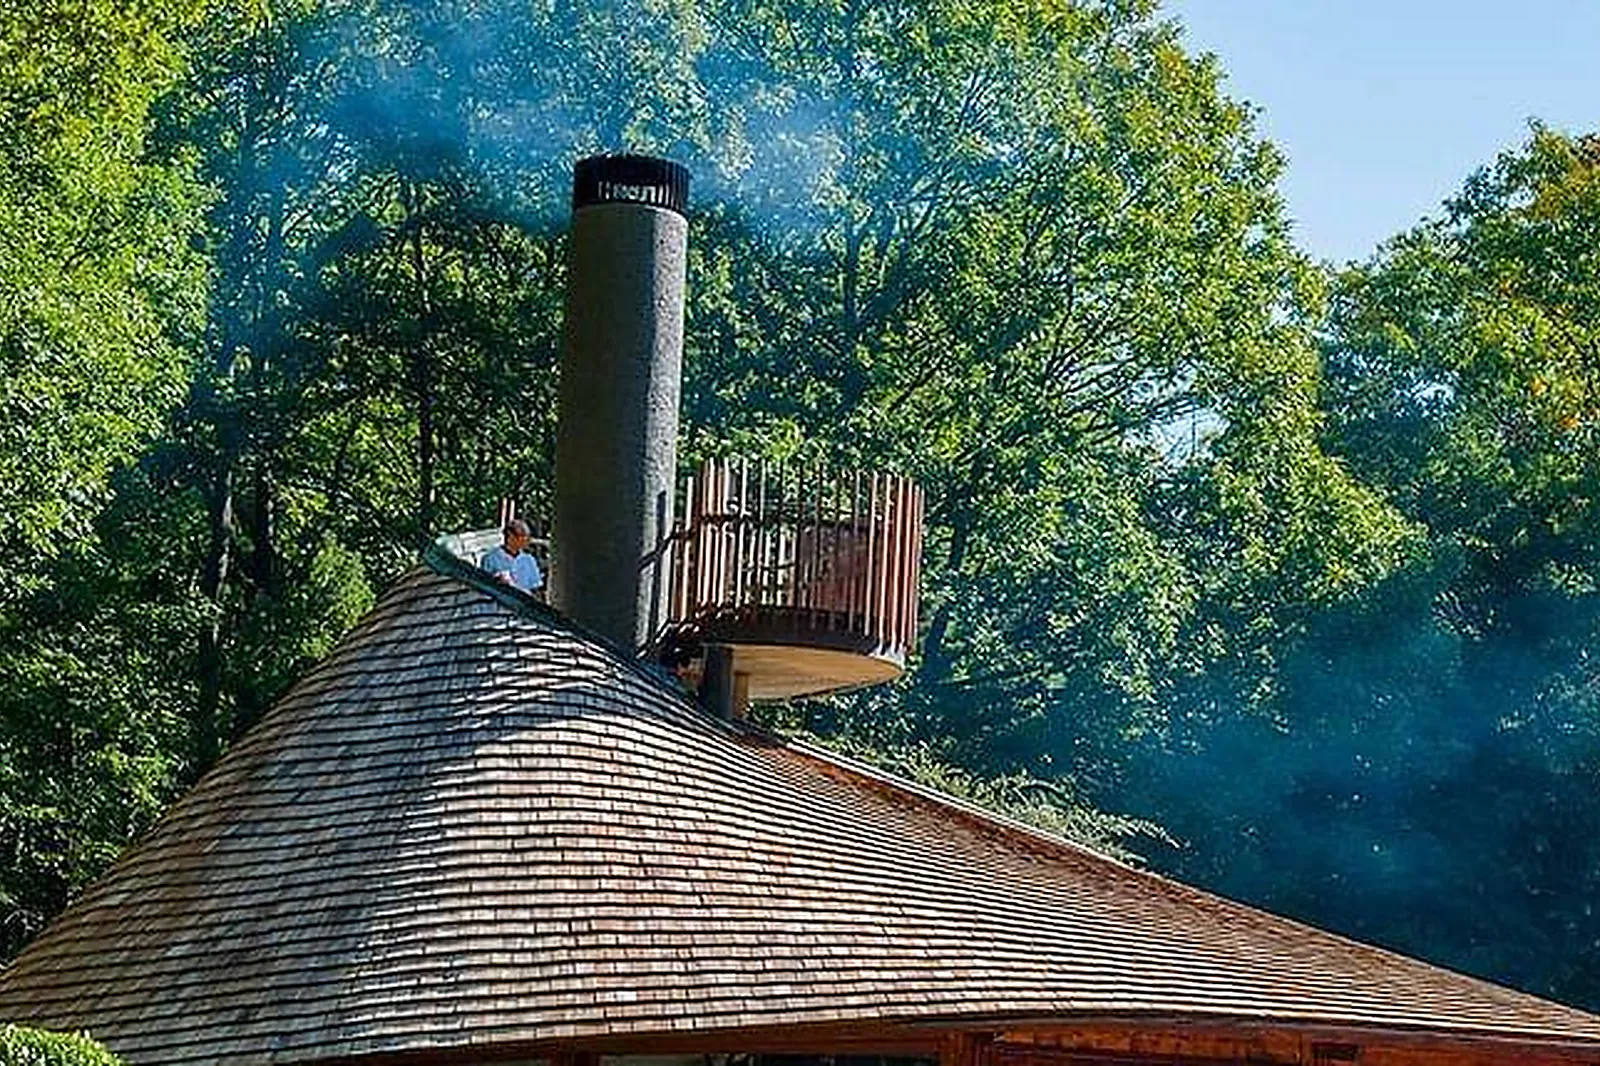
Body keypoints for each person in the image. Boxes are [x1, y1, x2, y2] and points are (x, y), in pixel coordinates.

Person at [481, 518, 544, 594]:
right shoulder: (490, 558)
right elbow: (484, 588)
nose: (526, 541)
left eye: (527, 537)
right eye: (522, 536)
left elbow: (537, 590)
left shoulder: (529, 560)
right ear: (510, 536)